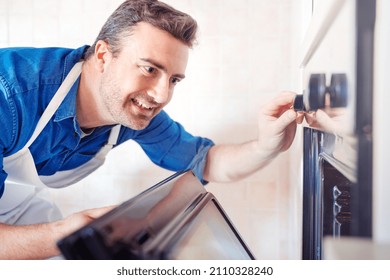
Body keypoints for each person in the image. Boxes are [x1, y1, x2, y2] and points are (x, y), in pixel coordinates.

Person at [0, 0, 301, 259]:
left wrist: (267, 145)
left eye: (173, 80)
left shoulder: (133, 112)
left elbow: (208, 161)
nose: (161, 95)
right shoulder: (10, 95)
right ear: (104, 56)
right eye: (149, 69)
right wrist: (62, 231)